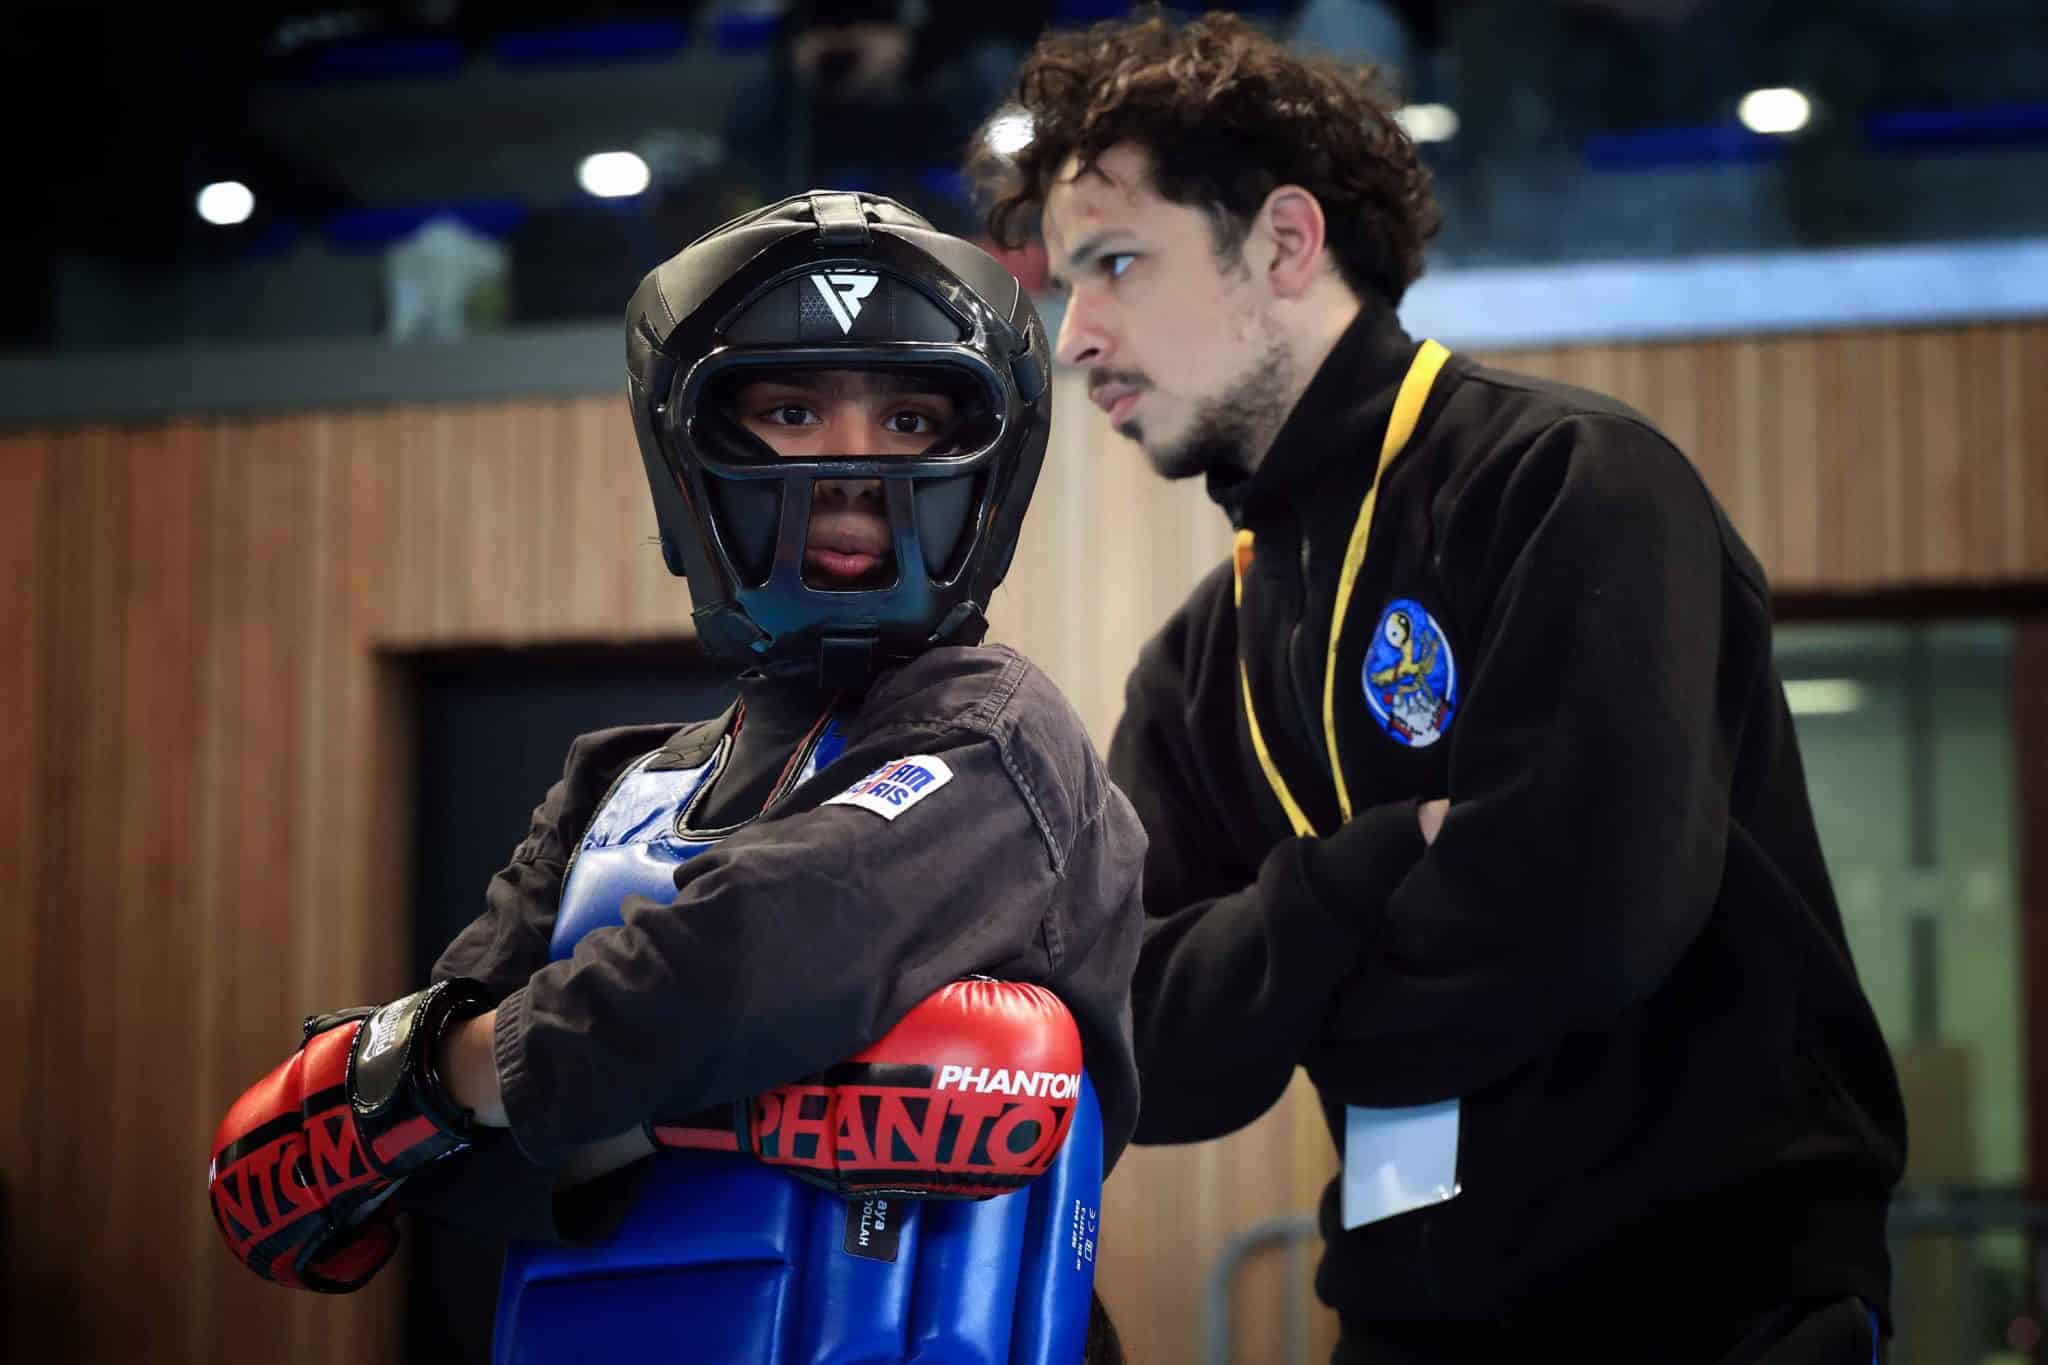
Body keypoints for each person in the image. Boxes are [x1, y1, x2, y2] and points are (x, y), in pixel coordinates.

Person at [974, 12, 1904, 1364]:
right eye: (1067, 286)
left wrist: (1283, 988)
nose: (1078, 338)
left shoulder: (1569, 482)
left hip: (1712, 1307)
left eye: (1116, 263)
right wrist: (1357, 879)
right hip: (1411, 1315)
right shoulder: (1196, 660)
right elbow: (1136, 1045)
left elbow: (1578, 928)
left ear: (1284, 243)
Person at [206, 191, 1141, 1363]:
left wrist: (443, 1075)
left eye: (909, 419)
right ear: (687, 452)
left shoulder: (997, 738)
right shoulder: (612, 792)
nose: (851, 468)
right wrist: (726, 1108)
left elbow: (773, 946)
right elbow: (445, 1170)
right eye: (791, 412)